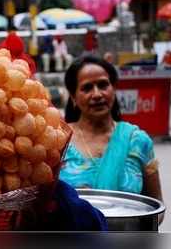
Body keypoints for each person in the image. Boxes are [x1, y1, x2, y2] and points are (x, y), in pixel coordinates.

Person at [59, 56, 163, 204]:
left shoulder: (138, 141)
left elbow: (155, 206)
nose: (97, 94)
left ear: (114, 89)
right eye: (87, 88)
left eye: (103, 85)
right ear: (73, 97)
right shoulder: (59, 140)